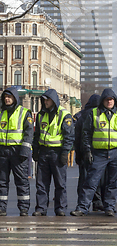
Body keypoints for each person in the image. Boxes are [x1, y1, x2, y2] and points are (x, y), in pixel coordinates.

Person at [70, 88, 117, 216]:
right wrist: (87, 150)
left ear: (114, 100)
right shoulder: (94, 113)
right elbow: (86, 133)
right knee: (91, 181)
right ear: (102, 101)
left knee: (114, 182)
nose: (109, 102)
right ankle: (82, 207)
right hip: (99, 153)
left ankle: (109, 207)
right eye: (106, 99)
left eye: (111, 99)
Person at [32, 89, 75, 216]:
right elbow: (37, 135)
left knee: (60, 183)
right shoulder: (41, 115)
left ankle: (60, 208)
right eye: (44, 100)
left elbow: (69, 136)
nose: (46, 102)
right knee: (41, 183)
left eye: (48, 100)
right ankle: (41, 208)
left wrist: (65, 152)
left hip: (57, 152)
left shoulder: (64, 115)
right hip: (44, 152)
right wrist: (35, 151)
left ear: (54, 100)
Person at [0, 87, 33, 216]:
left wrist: (24, 151)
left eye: (9, 97)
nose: (7, 99)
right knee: (2, 182)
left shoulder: (24, 113)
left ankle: (24, 208)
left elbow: (29, 133)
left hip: (18, 151)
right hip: (3, 151)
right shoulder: (2, 113)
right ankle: (1, 208)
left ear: (14, 98)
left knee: (21, 181)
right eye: (5, 97)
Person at [74, 94, 104, 212]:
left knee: (84, 179)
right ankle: (97, 202)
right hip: (98, 151)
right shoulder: (99, 114)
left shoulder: (81, 116)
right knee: (97, 179)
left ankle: (82, 203)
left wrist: (78, 153)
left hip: (83, 152)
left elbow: (77, 137)